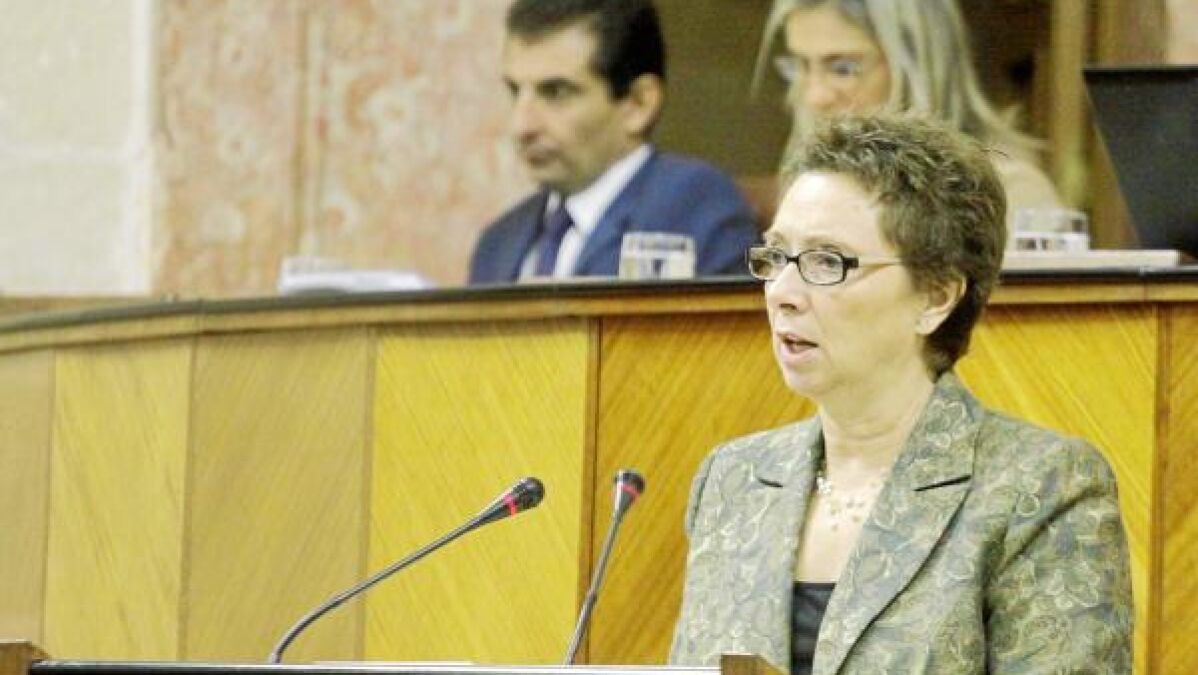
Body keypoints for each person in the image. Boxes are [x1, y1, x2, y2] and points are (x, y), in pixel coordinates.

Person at [668, 115, 1132, 674]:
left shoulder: (1039, 486)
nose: (782, 293)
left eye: (825, 261)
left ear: (935, 297)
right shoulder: (735, 480)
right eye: (776, 256)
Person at [468, 0, 759, 284]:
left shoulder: (698, 211)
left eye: (556, 92)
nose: (522, 126)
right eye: (515, 91)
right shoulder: (497, 244)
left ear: (638, 104)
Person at [757, 0, 1062, 223]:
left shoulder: (1007, 193)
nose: (815, 96)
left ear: (919, 67)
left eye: (843, 68)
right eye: (799, 66)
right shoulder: (812, 185)